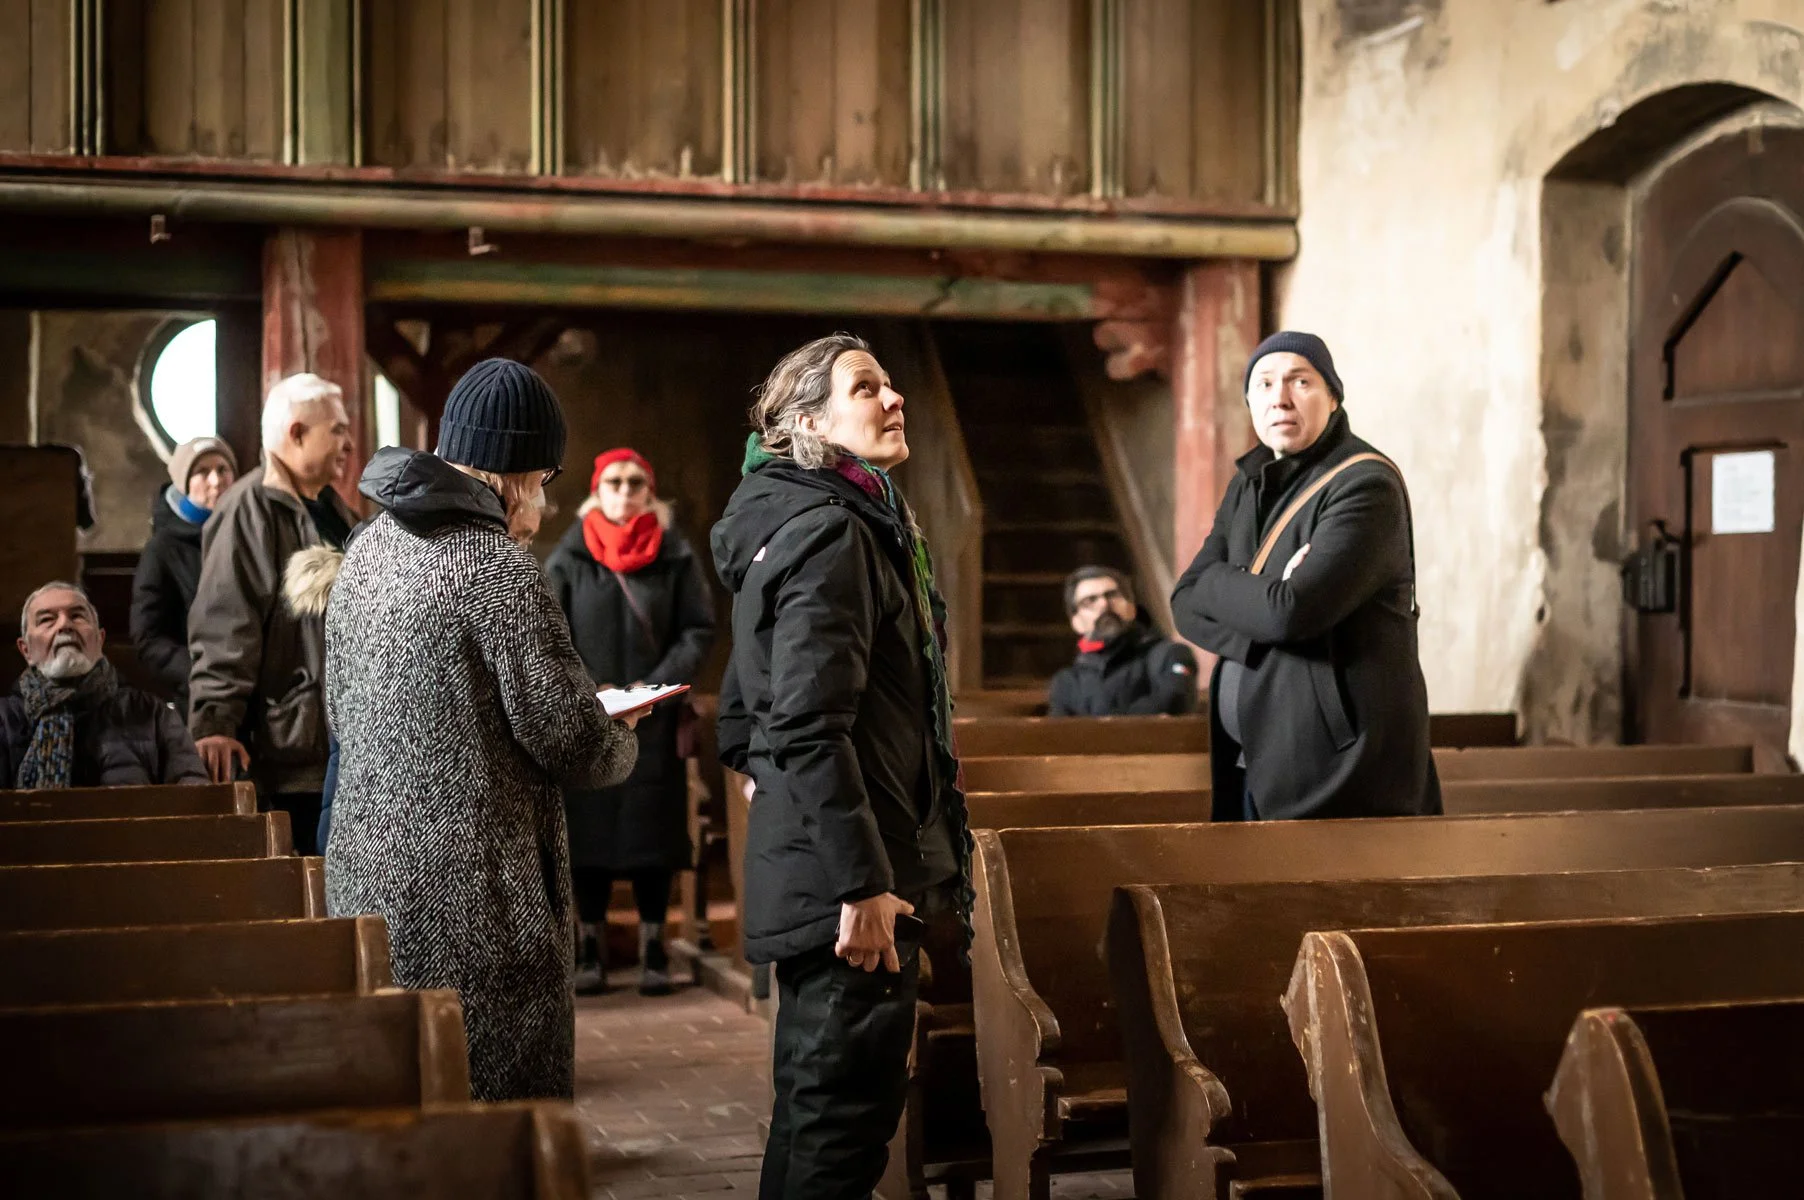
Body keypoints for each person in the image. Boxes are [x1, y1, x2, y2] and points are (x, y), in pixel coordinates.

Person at [321, 358, 640, 1103]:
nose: (545, 499)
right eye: (544, 478)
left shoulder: (367, 548)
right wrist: (618, 729)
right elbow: (571, 741)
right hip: (480, 897)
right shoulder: (498, 570)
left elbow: (341, 706)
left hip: (367, 880)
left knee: (401, 1104)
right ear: (519, 475)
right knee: (501, 1114)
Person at [711, 333, 971, 1199]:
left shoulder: (806, 519)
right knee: (840, 1133)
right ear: (811, 424)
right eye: (866, 388)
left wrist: (765, 773)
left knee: (818, 1116)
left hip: (825, 863)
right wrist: (861, 886)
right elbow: (807, 723)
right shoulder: (831, 531)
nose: (894, 398)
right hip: (850, 888)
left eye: (890, 383)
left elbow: (745, 703)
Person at [1170, 331, 1440, 821]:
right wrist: (1262, 603)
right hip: (1255, 759)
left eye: (1300, 381)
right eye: (1264, 384)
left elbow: (1289, 613)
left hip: (1335, 768)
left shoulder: (1364, 484)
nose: (1280, 398)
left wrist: (1224, 584)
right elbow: (1184, 602)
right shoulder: (1247, 485)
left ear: (1333, 397)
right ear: (1250, 402)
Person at [547, 448, 715, 996]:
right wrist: (592, 689)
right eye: (614, 482)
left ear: (649, 491)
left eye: (635, 482)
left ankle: (654, 948)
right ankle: (589, 947)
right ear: (597, 491)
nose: (624, 491)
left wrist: (656, 686)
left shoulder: (675, 554)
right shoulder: (569, 557)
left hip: (654, 719)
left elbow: (697, 628)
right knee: (588, 836)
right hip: (591, 718)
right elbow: (553, 634)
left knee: (653, 839)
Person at [188, 374, 355, 855]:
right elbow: (226, 621)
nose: (348, 444)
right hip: (286, 751)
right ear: (297, 433)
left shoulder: (333, 509)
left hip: (335, 749)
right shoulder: (248, 508)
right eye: (337, 430)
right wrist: (215, 722)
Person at [4, 582, 206, 788]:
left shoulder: (151, 714)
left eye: (77, 616)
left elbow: (192, 792)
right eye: (47, 620)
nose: (64, 625)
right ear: (26, 650)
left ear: (100, 639)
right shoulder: (4, 721)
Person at [130, 436, 239, 714]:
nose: (216, 480)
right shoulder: (163, 549)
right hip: (201, 699)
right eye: (202, 471)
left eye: (223, 469)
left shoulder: (249, 535)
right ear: (184, 484)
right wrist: (201, 672)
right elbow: (148, 636)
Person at [1047, 565, 1198, 717]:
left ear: (1132, 608)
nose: (1104, 604)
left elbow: (1175, 699)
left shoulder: (1168, 655)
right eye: (1090, 600)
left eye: (1112, 595)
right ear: (1076, 622)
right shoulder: (1066, 682)